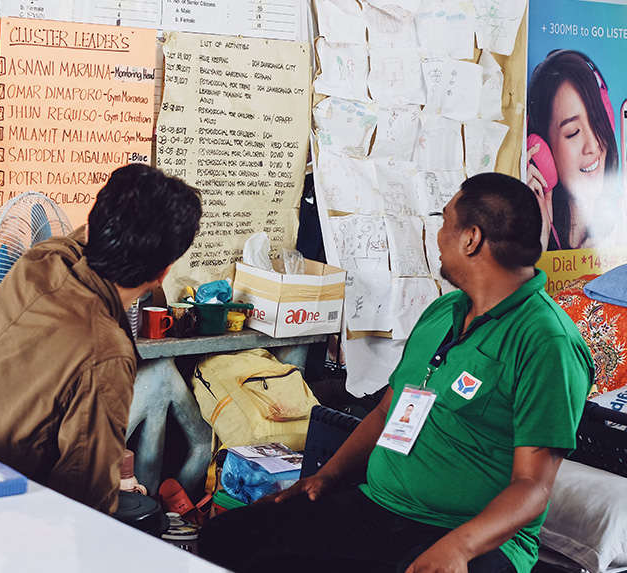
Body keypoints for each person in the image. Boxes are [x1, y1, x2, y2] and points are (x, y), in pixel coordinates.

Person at [198, 172, 593, 573]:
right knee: (227, 538)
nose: (437, 238)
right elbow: (388, 412)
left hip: (466, 536)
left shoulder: (547, 342)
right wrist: (327, 476)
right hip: (377, 510)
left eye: (443, 223)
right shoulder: (443, 312)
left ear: (471, 239)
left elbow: (533, 486)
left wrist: (458, 548)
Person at [0, 164, 202, 514]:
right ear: (163, 273)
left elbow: (82, 239)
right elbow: (85, 498)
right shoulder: (106, 353)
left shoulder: (40, 259)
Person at [526, 49, 619, 251]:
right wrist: (539, 246)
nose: (592, 146)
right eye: (573, 132)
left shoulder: (621, 235)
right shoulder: (526, 241)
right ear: (544, 151)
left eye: (597, 120)